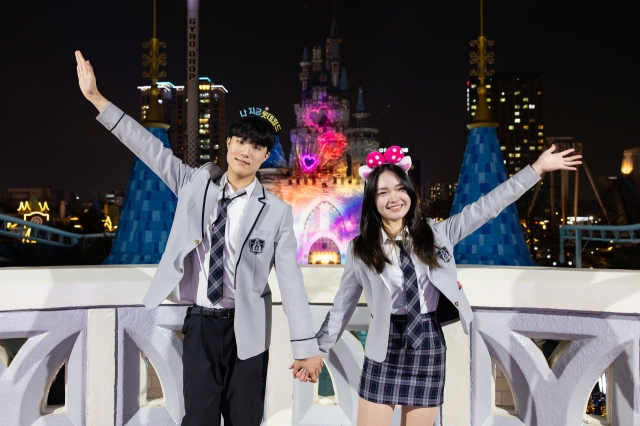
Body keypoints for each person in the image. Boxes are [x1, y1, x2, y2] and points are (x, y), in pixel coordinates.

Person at [75, 51, 322, 426]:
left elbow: (291, 281)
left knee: (245, 418)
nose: (246, 151)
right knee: (199, 418)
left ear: (264, 155)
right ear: (228, 142)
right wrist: (96, 98)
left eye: (257, 147)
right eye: (241, 140)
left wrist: (305, 347)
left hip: (249, 328)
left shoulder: (276, 212)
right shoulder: (196, 184)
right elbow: (149, 149)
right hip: (201, 324)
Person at [307, 145, 581, 426]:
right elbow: (342, 308)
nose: (394, 198)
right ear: (372, 200)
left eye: (401, 189)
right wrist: (315, 350)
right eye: (383, 192)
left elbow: (487, 207)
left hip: (428, 343)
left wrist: (536, 169)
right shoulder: (360, 248)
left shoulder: (437, 234)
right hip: (384, 346)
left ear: (411, 193)